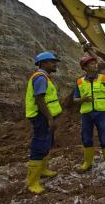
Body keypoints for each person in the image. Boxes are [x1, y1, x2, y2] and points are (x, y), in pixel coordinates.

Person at [73, 56, 105, 175]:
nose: (95, 65)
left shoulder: (104, 79)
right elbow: (74, 99)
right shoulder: (79, 82)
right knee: (86, 138)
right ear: (85, 67)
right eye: (91, 64)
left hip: (101, 114)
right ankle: (87, 163)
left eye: (95, 63)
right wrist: (82, 99)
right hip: (86, 115)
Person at [25, 51, 63, 194]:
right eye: (52, 61)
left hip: (45, 116)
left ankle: (44, 170)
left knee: (47, 143)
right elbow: (40, 100)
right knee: (39, 145)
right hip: (41, 117)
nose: (54, 64)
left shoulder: (45, 77)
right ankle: (32, 182)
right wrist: (49, 118)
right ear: (42, 63)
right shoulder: (40, 78)